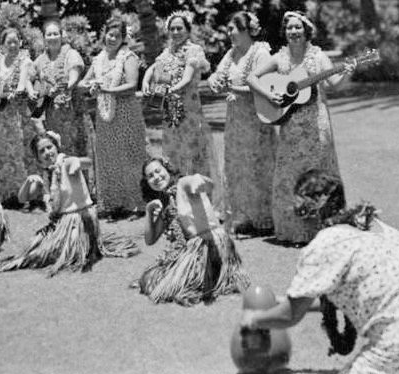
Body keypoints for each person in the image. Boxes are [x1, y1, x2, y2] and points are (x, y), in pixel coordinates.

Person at [239, 169, 399, 374]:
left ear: (307, 212)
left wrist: (253, 320)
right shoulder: (373, 226)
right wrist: (283, 301)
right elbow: (361, 295)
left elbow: (290, 315)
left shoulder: (326, 244)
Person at [247, 11, 355, 244]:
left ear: (307, 31)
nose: (293, 32)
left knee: (319, 175)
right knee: (290, 175)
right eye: (289, 28)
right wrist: (270, 94)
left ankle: (323, 230)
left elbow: (335, 85)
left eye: (298, 28)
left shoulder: (318, 57)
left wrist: (346, 71)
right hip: (291, 127)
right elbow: (252, 78)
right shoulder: (280, 58)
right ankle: (293, 230)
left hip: (317, 125)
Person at [0, 131, 139, 276]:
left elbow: (87, 162)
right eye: (42, 151)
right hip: (60, 223)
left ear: (57, 147)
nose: (47, 152)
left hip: (79, 221)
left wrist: (78, 162)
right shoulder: (47, 175)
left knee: (46, 254)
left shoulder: (66, 162)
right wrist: (28, 181)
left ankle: (78, 246)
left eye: (49, 147)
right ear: (38, 158)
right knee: (34, 244)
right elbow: (22, 198)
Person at [134, 157, 251, 306]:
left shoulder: (183, 184)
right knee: (149, 279)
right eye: (150, 176)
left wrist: (199, 180)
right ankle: (198, 281)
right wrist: (149, 211)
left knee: (158, 285)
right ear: (147, 183)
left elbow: (201, 182)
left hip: (210, 247)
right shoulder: (165, 202)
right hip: (194, 249)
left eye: (158, 171)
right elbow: (150, 239)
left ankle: (205, 281)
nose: (156, 177)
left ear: (167, 170)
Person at [142, 11, 220, 211]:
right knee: (174, 157)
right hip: (170, 116)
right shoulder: (166, 53)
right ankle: (179, 201)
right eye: (172, 29)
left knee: (193, 156)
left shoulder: (194, 51)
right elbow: (153, 68)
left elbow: (186, 78)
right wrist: (145, 80)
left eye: (180, 28)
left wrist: (170, 89)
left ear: (188, 30)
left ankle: (202, 202)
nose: (176, 32)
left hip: (190, 115)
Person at [207, 12, 275, 236]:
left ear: (246, 30)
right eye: (228, 30)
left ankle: (263, 218)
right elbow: (217, 74)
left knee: (257, 167)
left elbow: (267, 87)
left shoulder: (261, 52)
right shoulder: (232, 53)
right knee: (237, 167)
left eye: (232, 29)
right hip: (235, 121)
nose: (229, 34)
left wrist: (234, 88)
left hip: (256, 120)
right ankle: (242, 216)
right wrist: (214, 81)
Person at [79, 16, 146, 219]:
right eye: (110, 34)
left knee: (129, 155)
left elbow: (133, 84)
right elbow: (83, 83)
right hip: (105, 115)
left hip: (126, 113)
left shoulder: (128, 57)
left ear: (123, 38)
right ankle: (113, 203)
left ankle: (135, 203)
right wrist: (90, 87)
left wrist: (107, 89)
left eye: (117, 36)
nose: (113, 39)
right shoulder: (98, 59)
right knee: (109, 156)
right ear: (104, 35)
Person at [0, 28, 33, 207]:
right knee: (2, 153)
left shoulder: (24, 61)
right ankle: (6, 194)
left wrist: (13, 93)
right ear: (3, 44)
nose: (12, 45)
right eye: (8, 42)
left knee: (18, 153)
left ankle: (21, 195)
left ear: (20, 41)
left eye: (15, 41)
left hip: (17, 114)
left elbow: (20, 87)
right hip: (1, 115)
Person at [30, 20, 90, 158]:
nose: (52, 37)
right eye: (49, 34)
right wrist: (32, 92)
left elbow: (74, 77)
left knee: (77, 154)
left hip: (73, 113)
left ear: (61, 35)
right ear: (44, 38)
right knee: (57, 152)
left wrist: (62, 88)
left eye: (55, 34)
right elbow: (28, 78)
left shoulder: (71, 54)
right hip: (51, 117)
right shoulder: (39, 61)